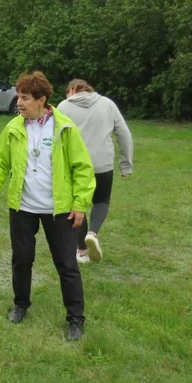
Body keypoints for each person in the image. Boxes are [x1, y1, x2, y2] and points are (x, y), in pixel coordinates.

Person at [0, 71, 95, 341]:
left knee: (67, 264)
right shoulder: (13, 128)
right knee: (21, 260)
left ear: (41, 100)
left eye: (24, 98)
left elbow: (82, 168)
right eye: (18, 97)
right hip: (23, 207)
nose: (18, 103)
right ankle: (20, 305)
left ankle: (75, 319)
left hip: (59, 209)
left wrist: (80, 204)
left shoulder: (64, 128)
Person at [57, 79, 134, 264]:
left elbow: (54, 137)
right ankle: (92, 233)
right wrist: (126, 165)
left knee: (77, 206)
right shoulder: (107, 104)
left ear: (71, 90)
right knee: (101, 201)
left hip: (74, 166)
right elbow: (124, 133)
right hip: (102, 165)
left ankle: (82, 252)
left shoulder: (63, 107)